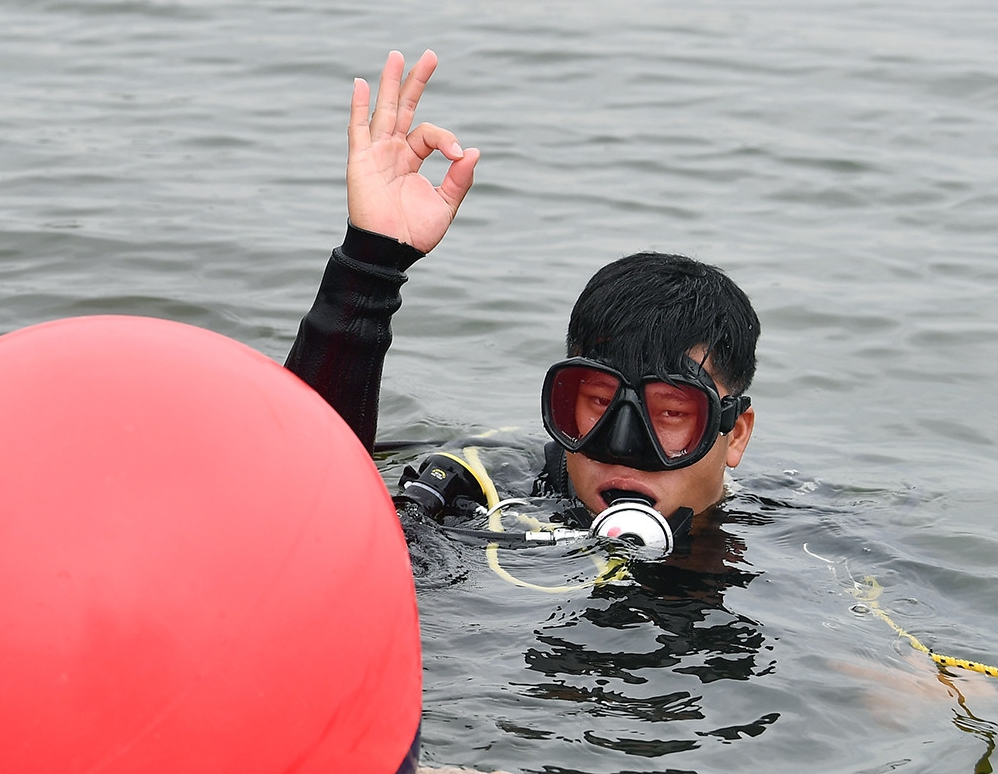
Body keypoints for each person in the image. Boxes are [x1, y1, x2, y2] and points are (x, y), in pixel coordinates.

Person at [285, 50, 759, 535]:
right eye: (598, 402)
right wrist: (370, 262)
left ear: (734, 434)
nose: (622, 446)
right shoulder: (473, 505)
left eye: (672, 413)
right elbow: (304, 521)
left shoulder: (814, 550)